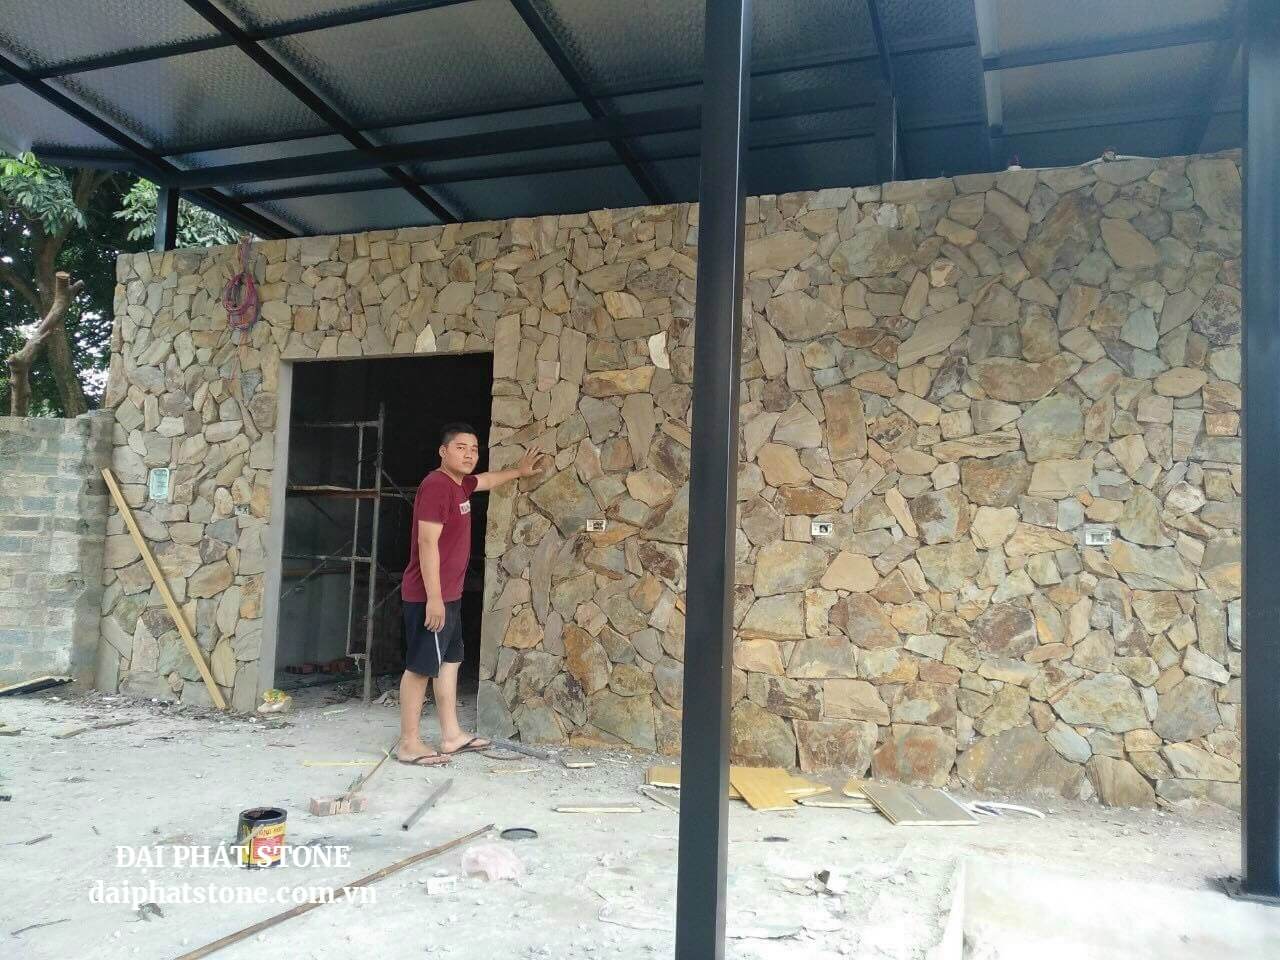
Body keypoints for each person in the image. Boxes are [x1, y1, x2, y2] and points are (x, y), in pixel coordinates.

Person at [396, 422, 549, 765]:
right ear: (443, 451)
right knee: (420, 667)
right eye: (461, 447)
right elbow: (426, 542)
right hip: (429, 596)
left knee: (450, 661)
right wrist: (434, 598)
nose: (469, 454)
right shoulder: (436, 486)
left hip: (449, 594)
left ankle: (451, 735)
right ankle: (409, 743)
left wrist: (519, 471)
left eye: (474, 449)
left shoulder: (460, 485)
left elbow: (487, 480)